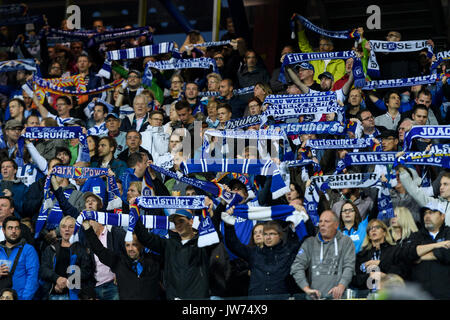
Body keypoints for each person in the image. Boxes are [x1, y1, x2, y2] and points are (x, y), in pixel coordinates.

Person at [132, 208, 220, 299]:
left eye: (181, 221)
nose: (178, 225)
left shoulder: (202, 243)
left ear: (191, 221)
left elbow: (214, 233)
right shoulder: (169, 245)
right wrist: (134, 210)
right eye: (175, 223)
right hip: (175, 297)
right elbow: (145, 237)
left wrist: (216, 209)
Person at [223, 209, 302, 297]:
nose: (267, 237)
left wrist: (304, 221)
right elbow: (233, 244)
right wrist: (229, 226)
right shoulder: (253, 252)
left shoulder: (288, 252)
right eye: (265, 234)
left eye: (271, 234)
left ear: (280, 236)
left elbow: (306, 240)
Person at [81, 217, 161, 300]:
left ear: (141, 245)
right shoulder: (119, 262)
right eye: (127, 245)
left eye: (134, 245)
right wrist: (88, 228)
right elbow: (100, 250)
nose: (130, 249)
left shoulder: (154, 262)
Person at [290, 210, 355, 300]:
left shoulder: (346, 242)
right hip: (314, 298)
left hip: (338, 298)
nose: (322, 224)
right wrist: (307, 289)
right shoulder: (309, 243)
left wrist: (341, 286)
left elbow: (349, 267)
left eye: (326, 221)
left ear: (336, 225)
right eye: (320, 221)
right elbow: (297, 267)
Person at [394, 202, 450, 299]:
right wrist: (437, 245)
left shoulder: (448, 233)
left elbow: (447, 254)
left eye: (431, 212)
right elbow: (405, 255)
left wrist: (420, 254)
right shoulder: (416, 236)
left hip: (445, 293)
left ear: (442, 216)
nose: (427, 216)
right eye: (425, 213)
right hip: (419, 295)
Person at [39, 216, 94, 300]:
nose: (67, 229)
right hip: (52, 294)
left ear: (77, 230)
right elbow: (44, 270)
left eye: (71, 227)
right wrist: (57, 279)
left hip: (75, 295)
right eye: (63, 226)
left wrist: (67, 281)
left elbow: (86, 271)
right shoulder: (50, 248)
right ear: (60, 230)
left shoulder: (81, 249)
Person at [351, 219, 405, 291]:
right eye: (370, 229)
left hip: (390, 293)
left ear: (384, 232)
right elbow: (354, 280)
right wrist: (370, 276)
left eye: (377, 227)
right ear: (369, 236)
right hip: (367, 295)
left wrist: (379, 263)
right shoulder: (361, 255)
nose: (373, 230)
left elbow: (401, 272)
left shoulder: (395, 250)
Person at [0, 216, 39, 300]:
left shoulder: (29, 250)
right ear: (3, 230)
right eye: (10, 228)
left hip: (20, 297)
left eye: (16, 228)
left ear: (20, 230)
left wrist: (25, 298)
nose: (14, 231)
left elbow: (32, 278)